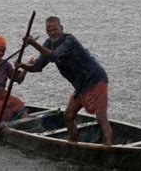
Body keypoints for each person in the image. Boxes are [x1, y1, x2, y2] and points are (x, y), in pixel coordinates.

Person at [18, 16, 113, 145]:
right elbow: (37, 67)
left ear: (61, 28)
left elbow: (54, 56)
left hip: (95, 79)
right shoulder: (48, 43)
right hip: (80, 86)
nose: (52, 33)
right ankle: (74, 143)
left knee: (101, 117)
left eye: (55, 29)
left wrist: (33, 43)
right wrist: (22, 65)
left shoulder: (69, 40)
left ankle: (108, 147)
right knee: (68, 115)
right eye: (49, 30)